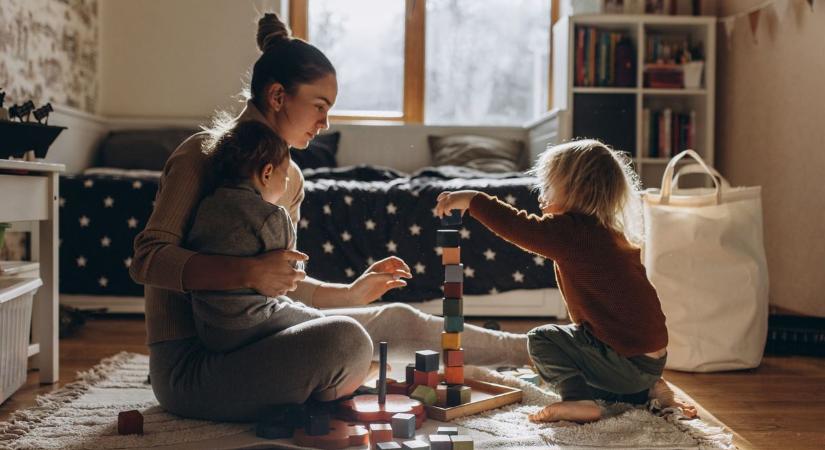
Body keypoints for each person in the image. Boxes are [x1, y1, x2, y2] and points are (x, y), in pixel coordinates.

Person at [131, 12, 530, 422]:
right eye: (319, 107)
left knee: (395, 319)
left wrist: (350, 294)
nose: (325, 124)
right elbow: (148, 259)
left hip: (260, 337)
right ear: (277, 96)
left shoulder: (292, 179)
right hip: (192, 368)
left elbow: (280, 284)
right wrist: (247, 272)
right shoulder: (201, 154)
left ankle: (533, 350)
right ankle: (336, 382)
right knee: (344, 342)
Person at [435, 139, 697, 423]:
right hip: (650, 361)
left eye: (548, 188)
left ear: (577, 190)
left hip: (627, 360)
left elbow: (518, 226)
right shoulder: (606, 231)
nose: (541, 197)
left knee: (542, 340)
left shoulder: (572, 231)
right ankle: (642, 391)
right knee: (576, 347)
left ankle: (579, 400)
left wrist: (473, 199)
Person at [186, 120, 325, 353]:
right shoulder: (271, 214)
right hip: (251, 321)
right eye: (286, 179)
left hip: (208, 327)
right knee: (322, 324)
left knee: (287, 307)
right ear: (267, 173)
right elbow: (290, 271)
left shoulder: (207, 205)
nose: (286, 186)